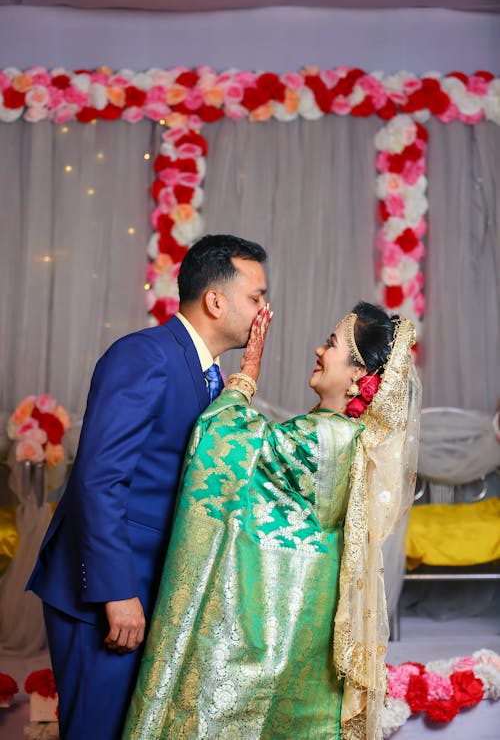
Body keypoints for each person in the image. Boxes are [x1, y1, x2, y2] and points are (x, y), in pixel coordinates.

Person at [122, 301, 421, 740]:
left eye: (332, 344)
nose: (319, 350)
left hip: (274, 629)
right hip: (305, 627)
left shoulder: (325, 438)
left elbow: (224, 445)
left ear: (358, 374)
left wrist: (245, 374)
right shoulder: (352, 440)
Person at [26, 234, 268, 740]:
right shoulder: (145, 356)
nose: (265, 309)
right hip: (105, 592)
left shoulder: (208, 375)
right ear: (216, 300)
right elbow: (100, 478)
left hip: (153, 587)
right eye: (257, 297)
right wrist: (117, 593)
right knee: (96, 729)